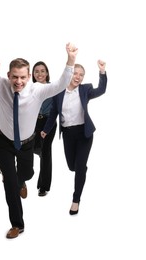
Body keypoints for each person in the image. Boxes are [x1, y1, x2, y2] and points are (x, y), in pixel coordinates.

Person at [0, 29, 78, 238]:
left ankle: (21, 181)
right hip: (4, 143)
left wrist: (70, 60)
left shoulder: (37, 90)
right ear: (8, 76)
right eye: (15, 77)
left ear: (28, 76)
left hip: (26, 143)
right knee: (10, 183)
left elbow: (60, 84)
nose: (18, 81)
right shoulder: (0, 86)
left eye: (23, 77)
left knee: (26, 173)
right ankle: (17, 224)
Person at [42, 61, 107, 215]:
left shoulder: (85, 90)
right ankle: (81, 168)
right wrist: (45, 130)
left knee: (79, 168)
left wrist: (102, 72)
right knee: (72, 166)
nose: (78, 77)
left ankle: (76, 200)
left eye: (81, 75)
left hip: (84, 134)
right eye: (75, 73)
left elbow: (102, 90)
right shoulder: (58, 92)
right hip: (68, 135)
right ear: (70, 74)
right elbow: (53, 114)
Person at [32, 61, 57, 197]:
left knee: (46, 152)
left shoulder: (53, 88)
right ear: (33, 74)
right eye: (36, 71)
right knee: (30, 149)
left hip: (49, 122)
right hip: (33, 122)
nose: (40, 74)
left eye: (42, 71)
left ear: (47, 73)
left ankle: (43, 186)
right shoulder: (29, 87)